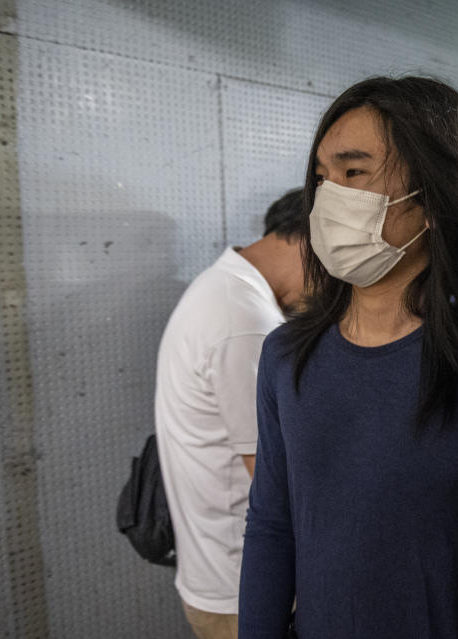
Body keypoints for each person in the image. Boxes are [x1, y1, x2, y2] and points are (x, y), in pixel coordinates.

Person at [239, 76, 458, 639]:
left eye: (354, 173)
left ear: (433, 202)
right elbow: (272, 526)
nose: (328, 198)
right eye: (321, 177)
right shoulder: (286, 355)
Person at [154, 188, 306, 639]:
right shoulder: (244, 320)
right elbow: (275, 475)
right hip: (244, 590)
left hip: (221, 576)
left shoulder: (223, 287)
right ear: (308, 241)